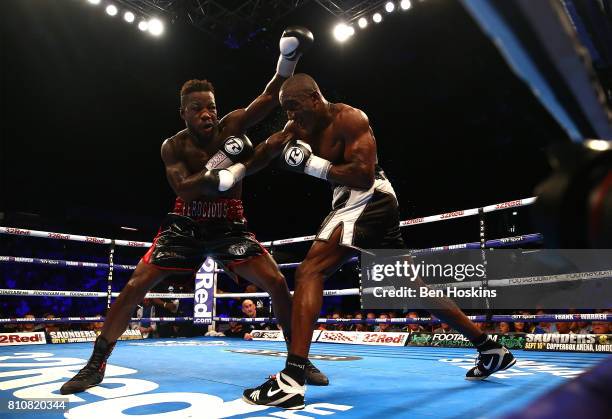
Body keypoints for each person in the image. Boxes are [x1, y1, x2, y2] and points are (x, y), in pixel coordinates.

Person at [59, 28, 329, 395]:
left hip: (230, 223)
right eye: (198, 108)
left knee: (278, 282)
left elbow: (269, 96)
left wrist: (290, 57)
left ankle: (298, 360)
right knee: (136, 284)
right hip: (185, 223)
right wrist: (221, 161)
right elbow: (184, 187)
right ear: (183, 112)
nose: (207, 114)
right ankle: (95, 365)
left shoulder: (232, 125)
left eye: (211, 107)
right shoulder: (173, 146)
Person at [236, 74, 515, 409]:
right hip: (358, 200)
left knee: (310, 271)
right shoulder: (299, 128)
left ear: (314, 97)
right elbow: (269, 149)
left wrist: (311, 165)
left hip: (368, 196)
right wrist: (230, 173)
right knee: (414, 287)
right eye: (286, 111)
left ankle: (292, 380)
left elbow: (363, 175)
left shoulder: (351, 119)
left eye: (294, 107)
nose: (291, 116)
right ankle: (490, 348)